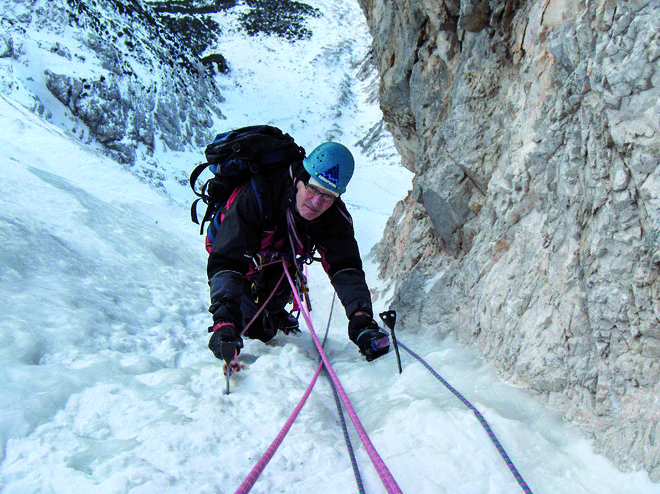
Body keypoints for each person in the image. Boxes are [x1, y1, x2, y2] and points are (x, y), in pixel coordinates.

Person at [206, 141, 389, 362]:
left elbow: (345, 266)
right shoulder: (259, 194)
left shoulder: (333, 216)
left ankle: (273, 311)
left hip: (281, 260)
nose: (317, 202)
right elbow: (228, 260)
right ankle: (254, 313)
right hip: (241, 258)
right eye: (312, 189)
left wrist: (361, 319)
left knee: (268, 318)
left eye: (328, 195)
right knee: (254, 330)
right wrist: (224, 319)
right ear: (300, 180)